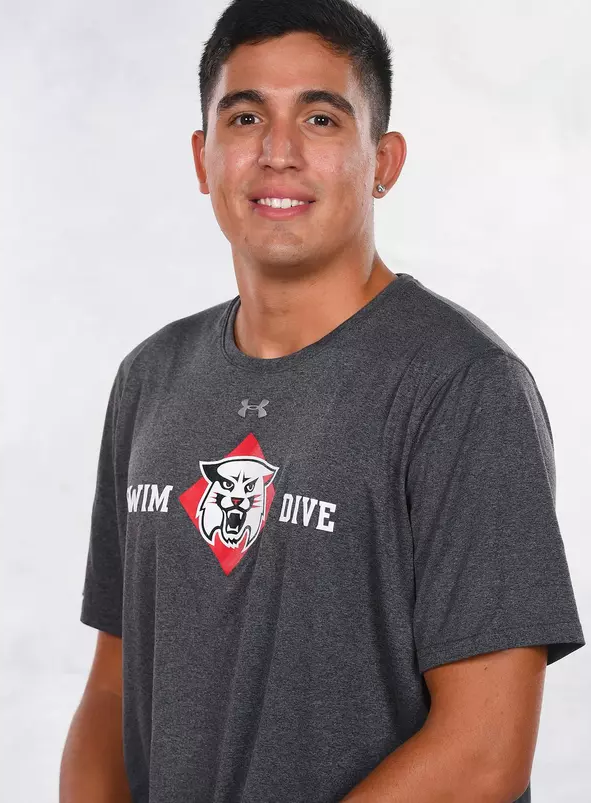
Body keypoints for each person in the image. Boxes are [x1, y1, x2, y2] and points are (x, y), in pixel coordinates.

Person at [59, 0, 586, 801]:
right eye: (245, 118)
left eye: (320, 119)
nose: (278, 153)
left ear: (383, 161)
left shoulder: (462, 386)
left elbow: (483, 752)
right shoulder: (149, 378)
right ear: (203, 157)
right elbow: (112, 687)